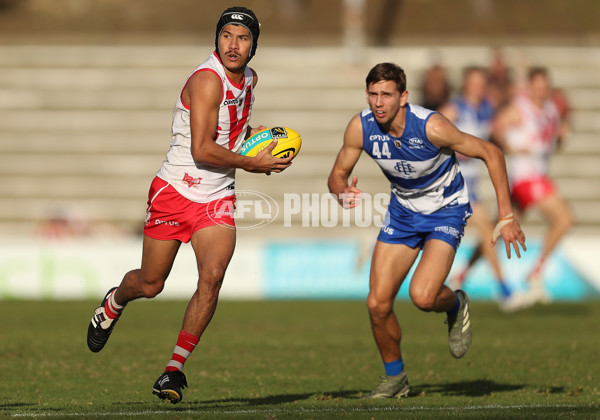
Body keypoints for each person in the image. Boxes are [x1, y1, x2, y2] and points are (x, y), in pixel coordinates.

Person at [86, 7, 292, 404]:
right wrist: (253, 162)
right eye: (227, 35)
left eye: (243, 38)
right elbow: (201, 147)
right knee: (151, 283)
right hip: (176, 191)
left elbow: (234, 130)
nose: (233, 44)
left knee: (212, 276)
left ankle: (173, 370)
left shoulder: (249, 79)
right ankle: (114, 302)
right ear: (216, 39)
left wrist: (264, 143)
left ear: (254, 46)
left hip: (216, 196)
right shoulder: (206, 81)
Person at [327, 63, 525, 399]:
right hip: (402, 214)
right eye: (373, 94)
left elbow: (491, 152)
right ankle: (396, 378)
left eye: (387, 94)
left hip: (445, 211)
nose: (379, 102)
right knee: (377, 303)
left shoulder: (432, 126)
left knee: (423, 296)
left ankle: (455, 304)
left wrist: (506, 215)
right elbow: (337, 174)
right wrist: (340, 190)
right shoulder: (359, 128)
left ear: (403, 97)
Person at [438, 66, 517, 310]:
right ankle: (504, 289)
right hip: (453, 183)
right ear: (465, 84)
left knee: (487, 231)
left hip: (473, 184)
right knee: (486, 229)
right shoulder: (454, 108)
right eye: (473, 83)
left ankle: (462, 275)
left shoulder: (486, 109)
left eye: (481, 83)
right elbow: (431, 134)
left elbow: (496, 132)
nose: (477, 87)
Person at [493, 67, 572, 305]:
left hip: (538, 175)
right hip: (526, 178)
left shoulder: (550, 110)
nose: (540, 89)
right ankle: (535, 274)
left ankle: (462, 272)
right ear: (530, 86)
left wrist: (560, 138)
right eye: (536, 85)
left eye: (544, 85)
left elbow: (549, 142)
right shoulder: (521, 107)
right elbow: (497, 127)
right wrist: (511, 147)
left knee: (501, 228)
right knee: (564, 219)